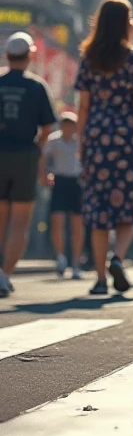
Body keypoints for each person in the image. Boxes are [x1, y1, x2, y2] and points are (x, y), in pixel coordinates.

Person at [76, 0, 133, 296]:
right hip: (127, 140)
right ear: (126, 22)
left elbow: (83, 107)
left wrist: (81, 143)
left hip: (98, 138)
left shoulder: (89, 58)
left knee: (98, 208)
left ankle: (100, 279)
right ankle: (118, 257)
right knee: (129, 205)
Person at [0, 32, 56, 298]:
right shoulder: (37, 86)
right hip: (24, 156)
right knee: (20, 222)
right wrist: (38, 147)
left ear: (7, 55)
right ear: (31, 56)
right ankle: (4, 274)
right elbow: (47, 127)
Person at [39, 111, 84, 279]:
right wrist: (43, 174)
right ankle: (60, 258)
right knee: (57, 221)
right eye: (65, 123)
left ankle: (76, 264)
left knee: (77, 225)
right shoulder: (54, 140)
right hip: (59, 182)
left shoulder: (80, 140)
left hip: (76, 183)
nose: (68, 127)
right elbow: (43, 157)